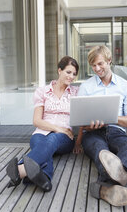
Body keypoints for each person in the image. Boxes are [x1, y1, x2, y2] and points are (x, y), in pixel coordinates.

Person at [75, 45, 127, 207]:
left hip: (116, 131)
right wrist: (88, 127)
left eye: (100, 64)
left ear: (109, 61)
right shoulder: (86, 87)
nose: (97, 69)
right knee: (99, 149)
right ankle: (123, 180)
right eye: (93, 65)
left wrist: (110, 118)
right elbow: (80, 122)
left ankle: (103, 188)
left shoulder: (125, 86)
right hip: (93, 133)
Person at [6, 56, 79, 192]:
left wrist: (77, 141)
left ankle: (20, 169)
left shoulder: (76, 93)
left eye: (74, 74)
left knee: (51, 139)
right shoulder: (42, 92)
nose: (71, 77)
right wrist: (58, 128)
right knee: (44, 147)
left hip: (65, 138)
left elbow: (82, 118)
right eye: (68, 72)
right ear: (59, 70)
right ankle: (44, 178)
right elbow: (37, 121)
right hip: (41, 133)